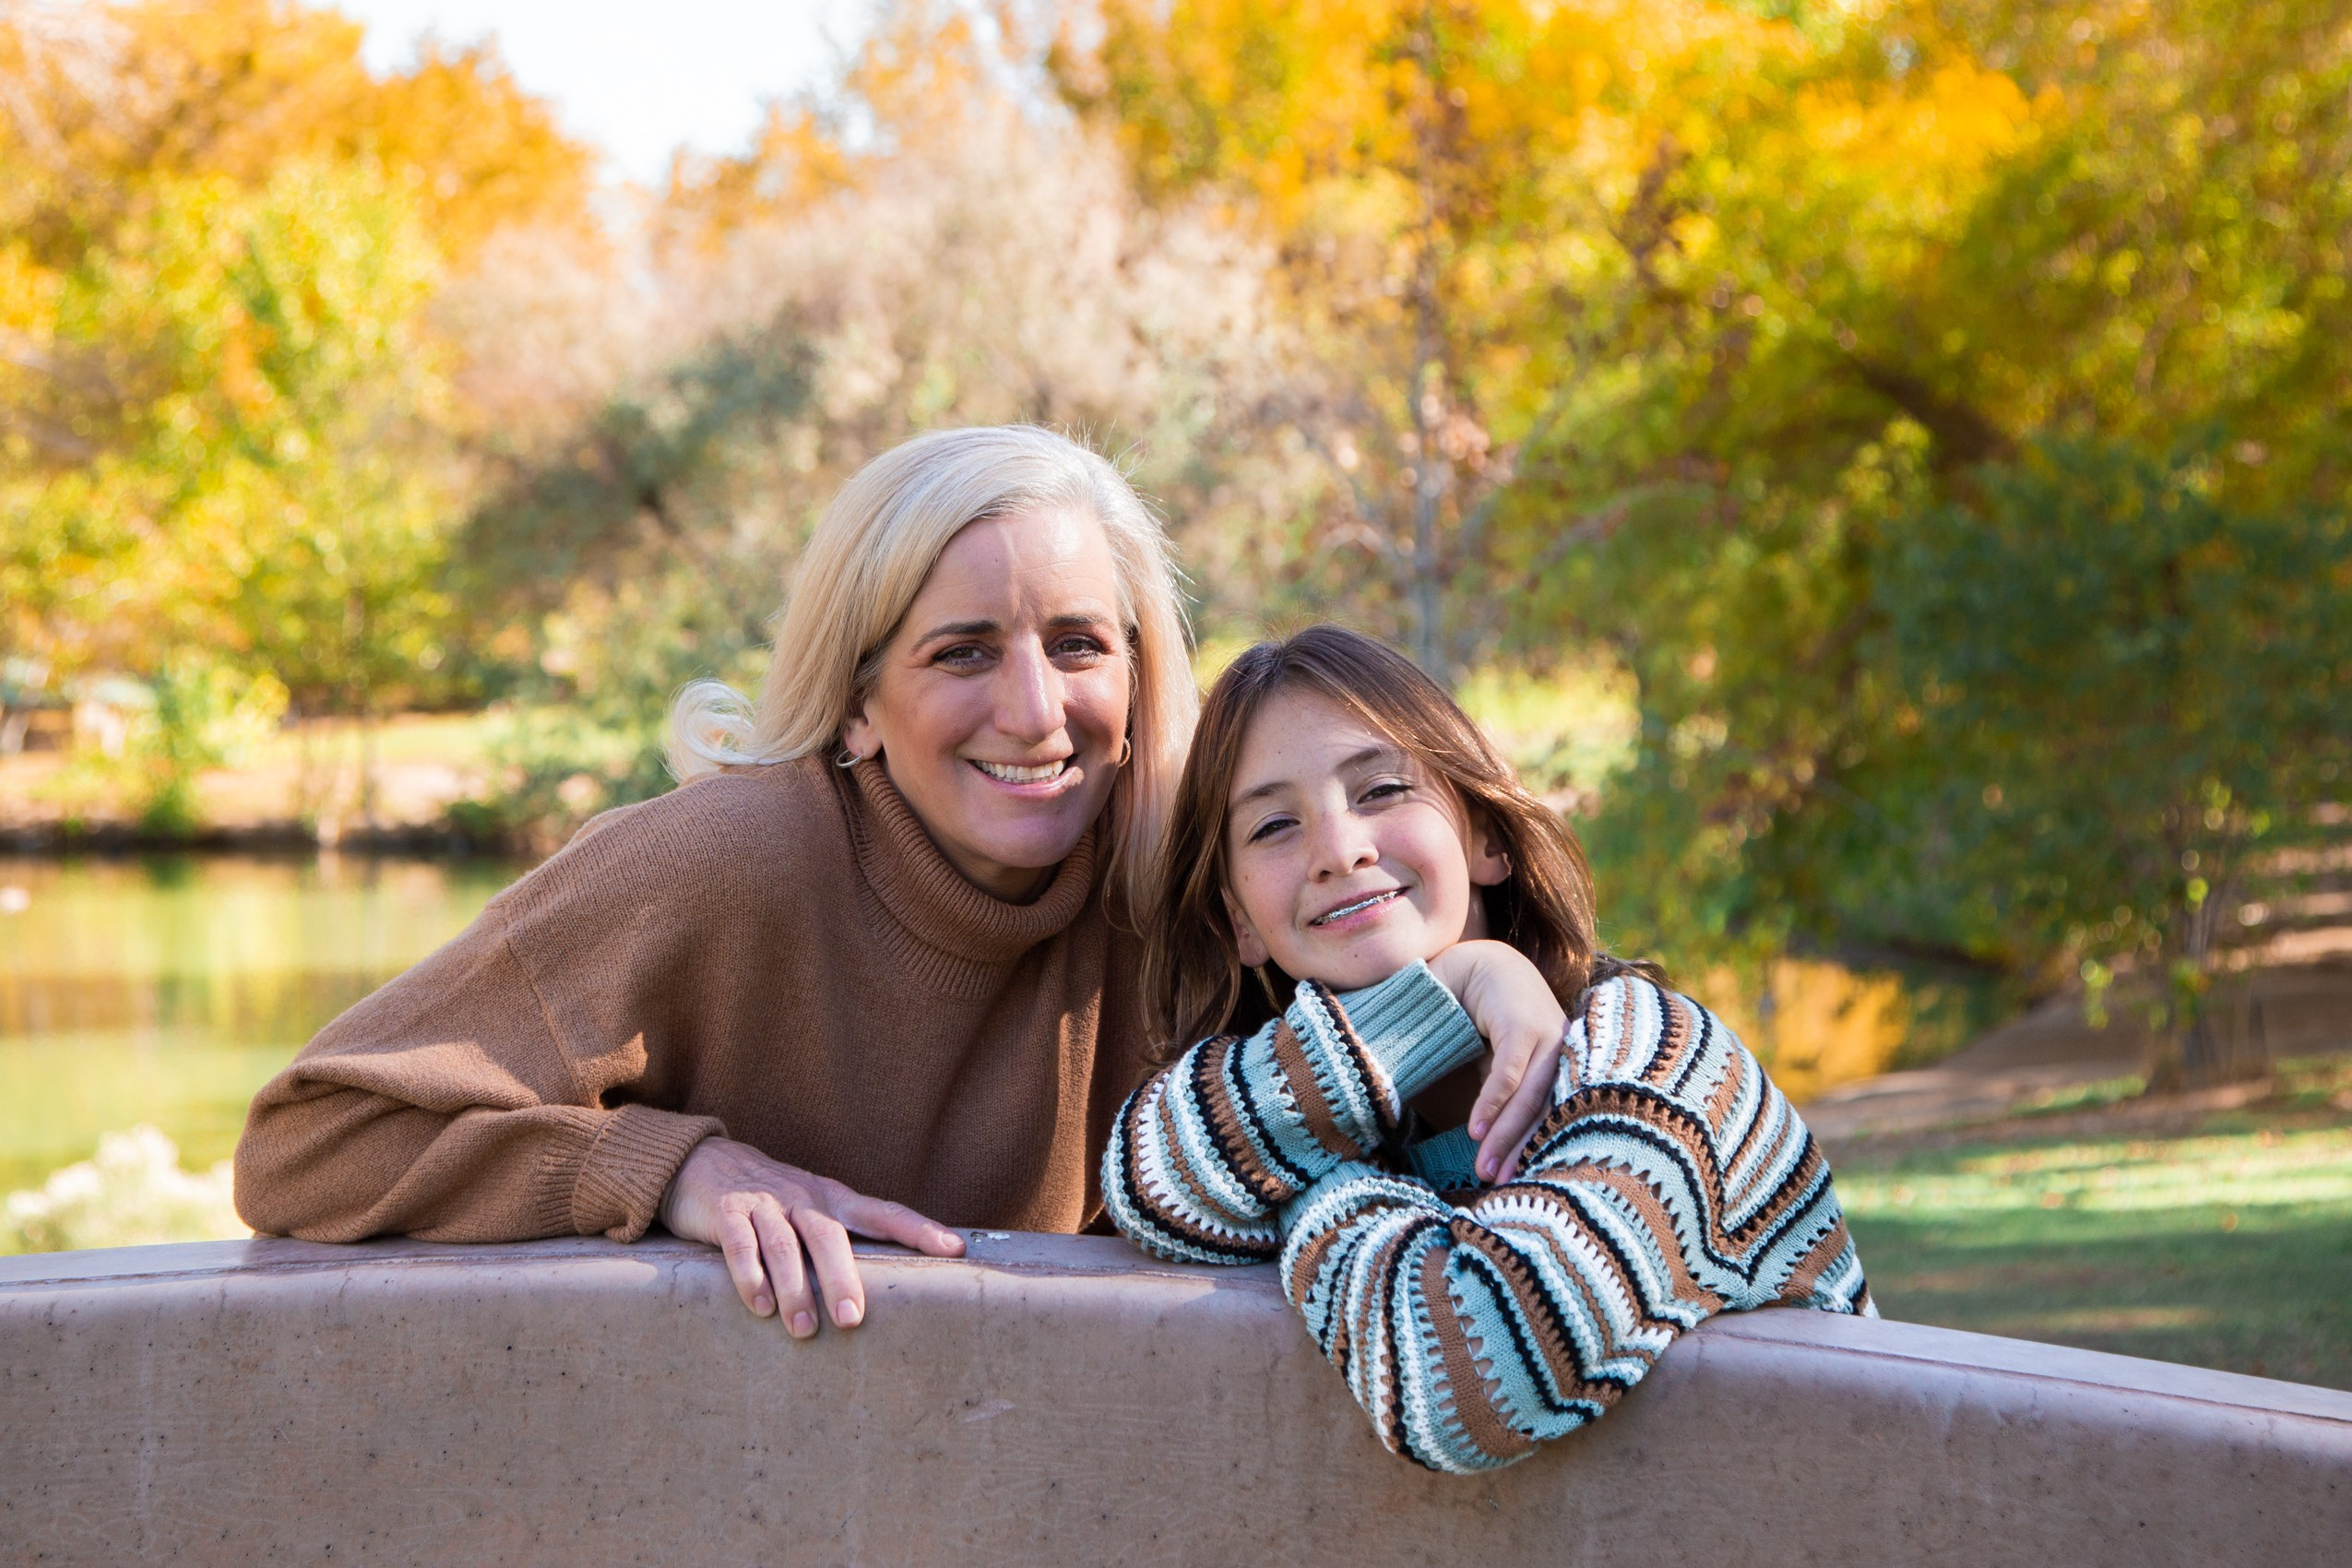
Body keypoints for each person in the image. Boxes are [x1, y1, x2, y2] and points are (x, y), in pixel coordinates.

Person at [233, 425, 1215, 1336]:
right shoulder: (720, 861)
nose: (1037, 710)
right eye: (963, 652)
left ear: (1137, 677)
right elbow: (307, 1143)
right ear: (856, 704)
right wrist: (672, 1169)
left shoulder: (1188, 896)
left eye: (1079, 645)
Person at [1103, 626, 1873, 1474]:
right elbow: (1148, 1182)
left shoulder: (1654, 1059)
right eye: (1275, 826)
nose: (1340, 849)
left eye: (1382, 788)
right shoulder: (1335, 1112)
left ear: (1486, 842)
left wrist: (1298, 1196)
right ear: (1239, 920)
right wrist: (1446, 994)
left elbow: (1471, 1381)